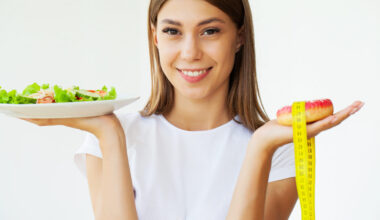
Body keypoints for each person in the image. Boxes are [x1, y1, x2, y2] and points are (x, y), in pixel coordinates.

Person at [21, 0, 364, 219]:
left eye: (210, 31)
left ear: (239, 37)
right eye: (172, 31)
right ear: (155, 37)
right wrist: (110, 133)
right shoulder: (111, 137)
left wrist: (259, 147)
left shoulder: (279, 148)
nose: (190, 52)